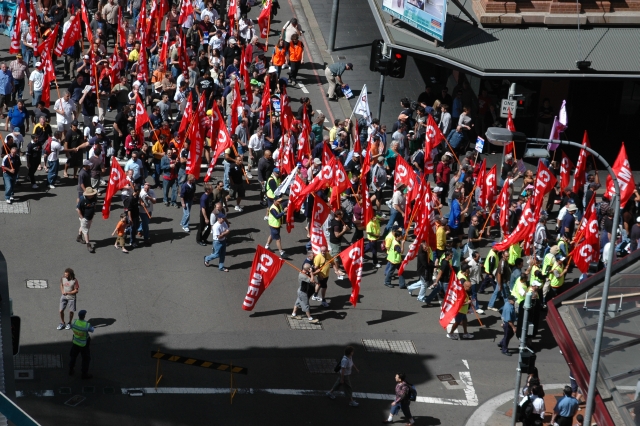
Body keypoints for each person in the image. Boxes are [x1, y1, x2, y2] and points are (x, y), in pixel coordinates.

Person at [69, 309, 94, 379]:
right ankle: (84, 374)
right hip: (83, 344)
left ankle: (71, 370)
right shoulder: (86, 325)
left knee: (73, 357)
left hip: (75, 342)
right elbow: (92, 330)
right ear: (84, 316)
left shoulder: (74, 322)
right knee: (86, 359)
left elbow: (71, 327)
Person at [76, 187, 98, 253]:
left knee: (84, 227)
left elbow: (94, 205)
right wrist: (82, 218)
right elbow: (78, 209)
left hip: (90, 217)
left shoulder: (94, 198)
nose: (93, 195)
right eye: (91, 194)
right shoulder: (82, 200)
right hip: (84, 217)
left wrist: (93, 212)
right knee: (86, 231)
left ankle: (79, 237)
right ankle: (88, 244)